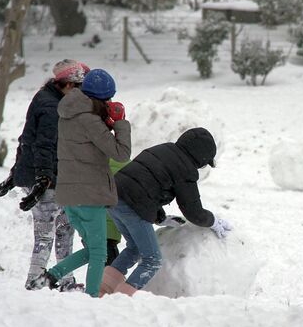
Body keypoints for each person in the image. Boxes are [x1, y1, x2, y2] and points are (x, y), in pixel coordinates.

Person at [28, 68, 131, 297]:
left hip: (69, 195)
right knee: (99, 254)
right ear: (100, 98)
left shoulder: (68, 114)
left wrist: (106, 121)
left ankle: (51, 275)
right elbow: (121, 153)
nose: (110, 102)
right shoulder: (90, 121)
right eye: (108, 98)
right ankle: (92, 299)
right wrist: (121, 123)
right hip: (89, 196)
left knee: (93, 249)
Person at [0, 59, 89, 291]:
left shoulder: (47, 97)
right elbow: (42, 145)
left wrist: (14, 175)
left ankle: (65, 281)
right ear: (67, 85)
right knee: (45, 234)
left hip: (52, 178)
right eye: (79, 89)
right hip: (46, 181)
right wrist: (42, 181)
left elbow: (25, 140)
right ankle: (34, 282)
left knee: (65, 228)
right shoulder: (52, 109)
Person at [99, 127, 232, 297]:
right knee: (152, 260)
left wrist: (160, 218)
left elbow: (146, 184)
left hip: (114, 197)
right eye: (205, 162)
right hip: (133, 206)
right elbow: (193, 212)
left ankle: (102, 290)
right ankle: (122, 299)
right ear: (200, 156)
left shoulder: (164, 149)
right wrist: (214, 221)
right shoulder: (186, 168)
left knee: (134, 248)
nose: (203, 166)